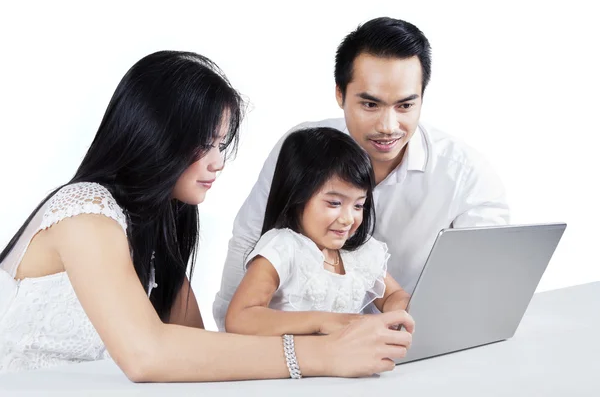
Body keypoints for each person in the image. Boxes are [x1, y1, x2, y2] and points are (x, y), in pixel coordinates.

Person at [0, 51, 414, 379]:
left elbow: (193, 344)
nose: (217, 163)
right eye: (205, 143)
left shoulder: (162, 219)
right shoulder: (85, 210)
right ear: (154, 136)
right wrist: (321, 353)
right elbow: (147, 355)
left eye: (221, 144)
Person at [214, 16, 510, 330]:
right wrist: (229, 341)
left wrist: (412, 318)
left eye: (405, 106)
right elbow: (247, 239)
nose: (388, 126)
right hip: (284, 348)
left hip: (400, 347)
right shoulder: (304, 150)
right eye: (370, 104)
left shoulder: (467, 175)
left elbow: (486, 283)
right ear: (340, 93)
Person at [225, 128, 410, 336]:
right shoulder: (283, 248)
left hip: (346, 365)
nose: (348, 218)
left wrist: (405, 311)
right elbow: (240, 317)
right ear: (297, 196)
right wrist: (324, 321)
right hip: (291, 366)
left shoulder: (360, 253)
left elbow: (394, 295)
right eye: (334, 203)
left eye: (358, 205)